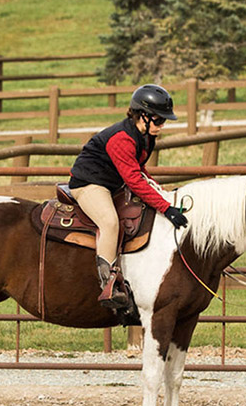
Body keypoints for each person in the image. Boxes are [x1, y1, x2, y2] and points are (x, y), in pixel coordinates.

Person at [68, 83, 189, 310]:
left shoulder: (144, 135)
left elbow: (139, 170)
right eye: (159, 120)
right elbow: (133, 180)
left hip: (111, 182)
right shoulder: (122, 139)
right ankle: (108, 284)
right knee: (110, 222)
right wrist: (165, 207)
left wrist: (162, 194)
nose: (162, 125)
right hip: (89, 183)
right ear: (143, 116)